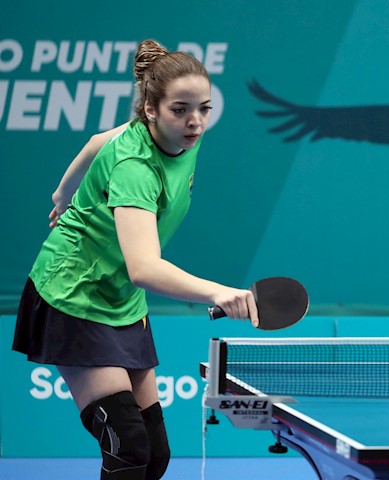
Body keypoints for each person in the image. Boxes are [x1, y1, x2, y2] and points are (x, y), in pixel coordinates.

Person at [12, 39, 259, 480]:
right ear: (150, 109)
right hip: (73, 294)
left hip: (120, 300)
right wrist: (219, 290)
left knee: (155, 455)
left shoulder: (180, 135)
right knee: (128, 451)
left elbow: (96, 141)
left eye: (204, 108)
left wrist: (62, 194)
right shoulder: (135, 168)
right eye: (181, 109)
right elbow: (144, 267)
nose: (196, 121)